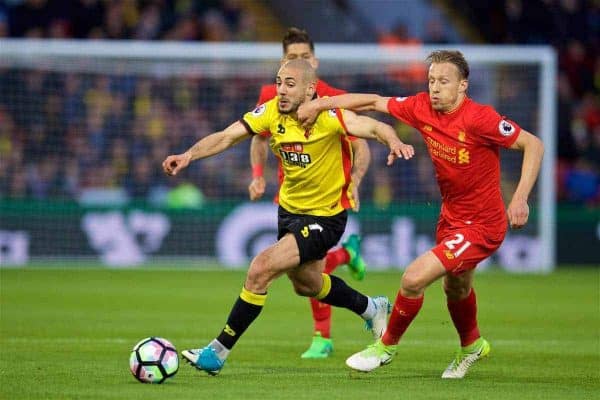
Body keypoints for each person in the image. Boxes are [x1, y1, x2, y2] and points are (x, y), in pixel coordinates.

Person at [298, 50, 544, 378]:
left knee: (413, 279)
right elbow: (372, 102)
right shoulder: (421, 106)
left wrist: (521, 198)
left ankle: (385, 346)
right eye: (431, 80)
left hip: (483, 225)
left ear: (463, 86)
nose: (435, 87)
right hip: (451, 218)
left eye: (444, 81)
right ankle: (472, 346)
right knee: (456, 289)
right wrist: (319, 104)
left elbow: (533, 144)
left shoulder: (480, 118)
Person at [162, 59, 415, 375]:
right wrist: (188, 155)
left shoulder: (330, 117)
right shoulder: (270, 112)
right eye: (279, 82)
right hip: (289, 213)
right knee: (307, 285)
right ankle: (371, 308)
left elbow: (374, 126)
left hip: (325, 218)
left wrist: (393, 140)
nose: (281, 89)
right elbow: (226, 136)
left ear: (310, 89)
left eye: (290, 84)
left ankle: (217, 352)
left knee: (260, 269)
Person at [248, 27, 371, 359]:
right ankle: (346, 256)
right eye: (291, 58)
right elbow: (258, 137)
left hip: (329, 197)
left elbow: (361, 147)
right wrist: (258, 176)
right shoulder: (272, 96)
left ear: (314, 62)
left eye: (304, 57)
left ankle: (323, 337)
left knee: (298, 264)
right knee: (301, 275)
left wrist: (356, 180)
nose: (298, 63)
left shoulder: (332, 98)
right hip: (289, 192)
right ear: (282, 62)